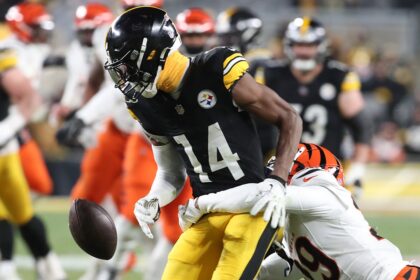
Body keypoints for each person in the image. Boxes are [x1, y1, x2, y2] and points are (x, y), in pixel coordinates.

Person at [104, 6, 302, 280]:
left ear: (152, 53)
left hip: (252, 207)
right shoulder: (144, 104)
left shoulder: (216, 68)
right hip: (206, 212)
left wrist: (278, 182)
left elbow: (289, 117)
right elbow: (171, 173)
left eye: (127, 65)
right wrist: (153, 198)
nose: (125, 77)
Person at [179, 143, 420, 280]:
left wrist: (203, 204)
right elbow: (272, 270)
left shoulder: (324, 193)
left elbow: (263, 195)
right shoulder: (296, 230)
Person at [250, 17, 372, 199]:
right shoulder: (269, 74)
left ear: (321, 46)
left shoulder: (339, 76)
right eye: (298, 45)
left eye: (309, 45)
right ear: (288, 46)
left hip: (327, 169)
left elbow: (361, 127)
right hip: (280, 169)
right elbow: (252, 122)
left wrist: (358, 168)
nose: (303, 51)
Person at [0, 32, 66, 280]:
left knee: (22, 213)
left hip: (4, 152)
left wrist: (9, 125)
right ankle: (8, 268)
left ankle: (48, 264)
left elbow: (30, 98)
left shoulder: (3, 58)